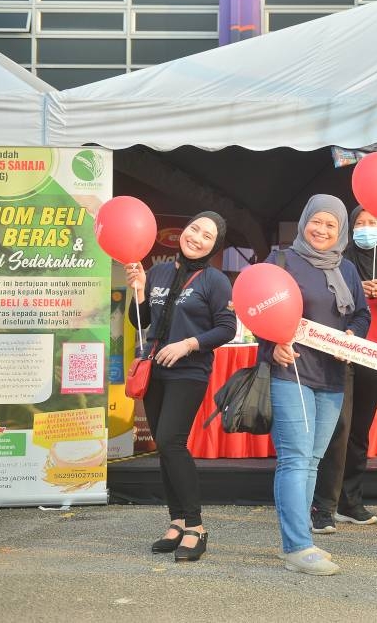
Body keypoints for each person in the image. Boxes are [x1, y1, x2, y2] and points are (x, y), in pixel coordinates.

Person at [259, 194, 370, 575]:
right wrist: (271, 344)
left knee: (313, 460)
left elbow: (360, 314)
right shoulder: (281, 262)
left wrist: (352, 339)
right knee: (294, 458)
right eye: (316, 222)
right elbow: (256, 310)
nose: (322, 230)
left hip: (334, 376)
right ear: (304, 221)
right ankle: (296, 546)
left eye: (331, 225)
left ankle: (299, 537)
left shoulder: (347, 269)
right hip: (292, 372)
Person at [125, 211, 236, 562]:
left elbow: (227, 328)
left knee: (172, 441)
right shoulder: (158, 271)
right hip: (155, 370)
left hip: (190, 371)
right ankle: (175, 521)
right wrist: (140, 291)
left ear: (214, 245)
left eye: (207, 235)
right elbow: (138, 320)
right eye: (194, 229)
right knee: (164, 445)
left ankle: (197, 527)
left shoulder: (215, 280)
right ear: (183, 232)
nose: (197, 238)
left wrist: (189, 343)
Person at [312, 205, 377, 532]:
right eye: (360, 223)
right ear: (349, 229)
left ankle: (349, 502)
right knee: (336, 430)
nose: (367, 228)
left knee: (358, 433)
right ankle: (322, 506)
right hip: (340, 353)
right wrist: (357, 294)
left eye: (373, 222)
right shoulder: (336, 263)